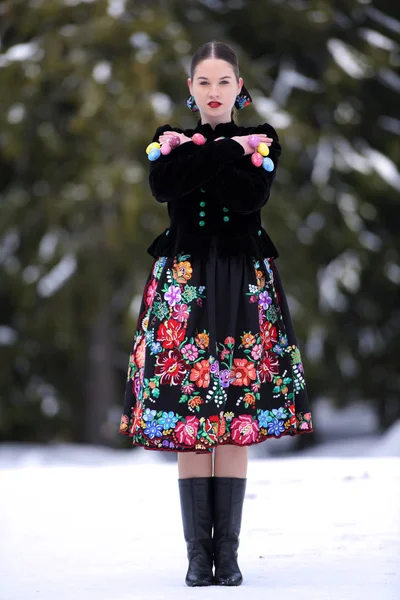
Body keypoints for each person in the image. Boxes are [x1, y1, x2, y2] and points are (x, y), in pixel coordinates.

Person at [119, 40, 313, 587]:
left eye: (222, 81)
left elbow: (248, 198)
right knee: (189, 417)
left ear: (239, 86)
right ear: (190, 88)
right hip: (182, 288)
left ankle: (225, 556)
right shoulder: (167, 141)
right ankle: (194, 557)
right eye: (203, 82)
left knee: (232, 416)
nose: (212, 91)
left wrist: (205, 154)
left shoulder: (263, 140)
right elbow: (165, 185)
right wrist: (227, 149)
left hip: (241, 284)